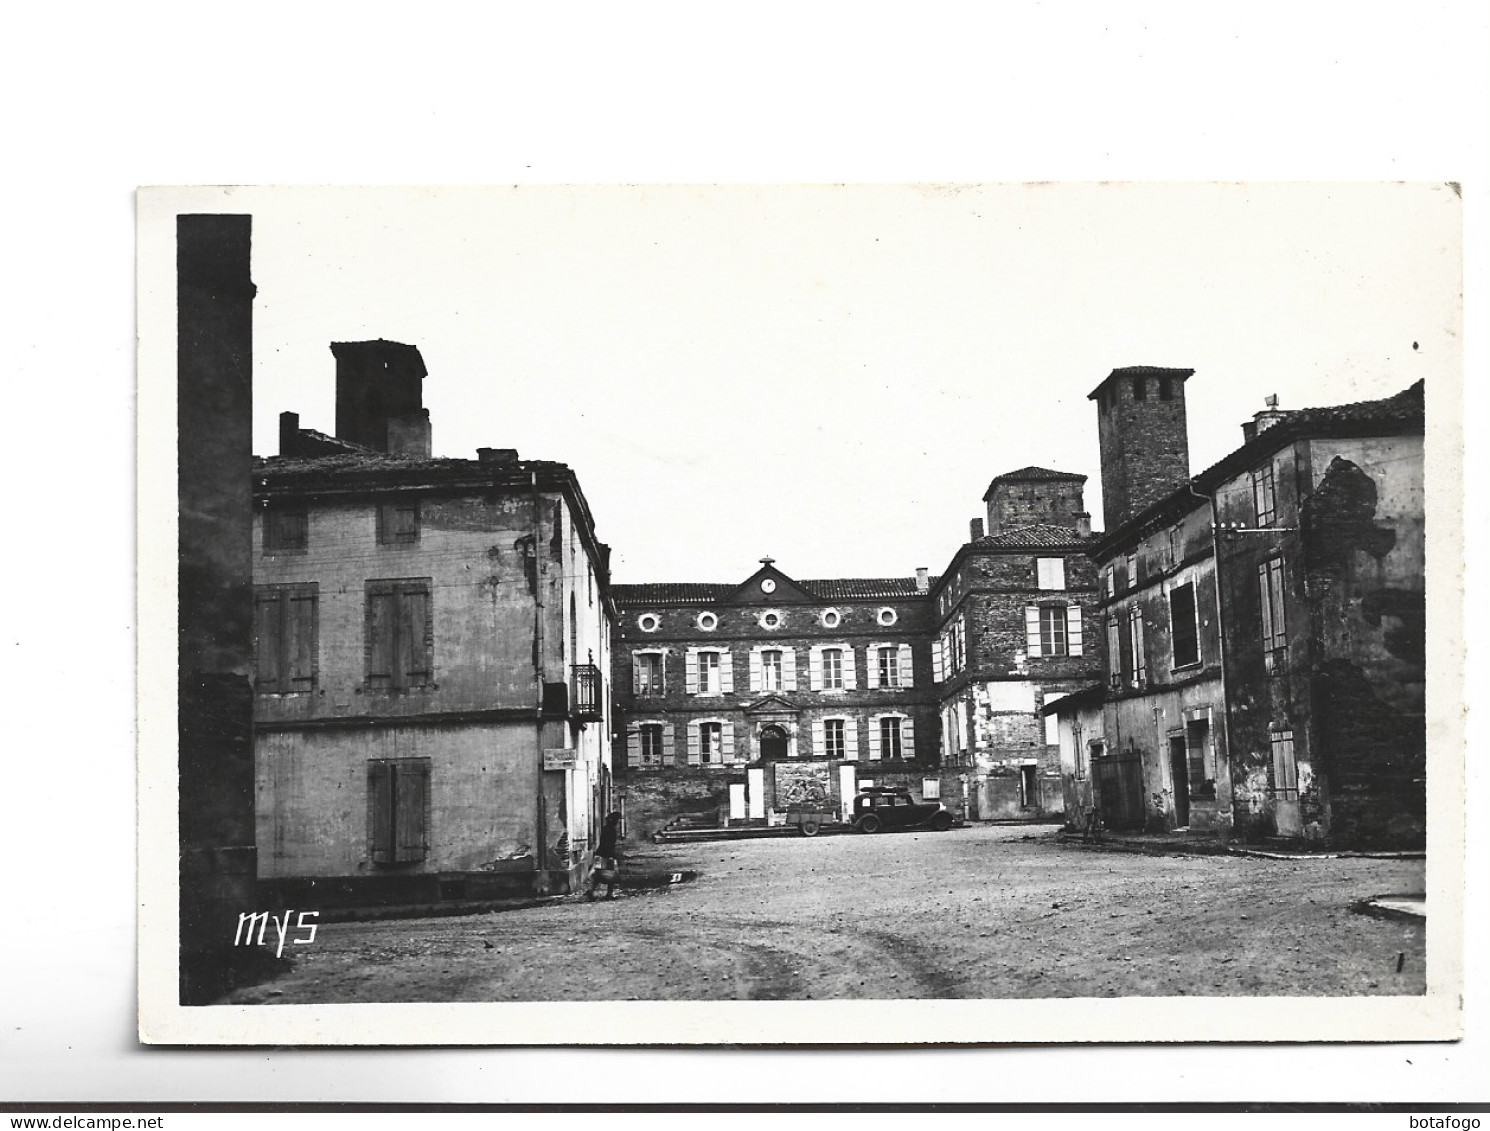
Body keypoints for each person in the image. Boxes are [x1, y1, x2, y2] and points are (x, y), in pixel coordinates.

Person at [587, 812, 623, 901]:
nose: (618, 822)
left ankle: (591, 891)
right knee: (612, 874)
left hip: (600, 853)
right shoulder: (612, 830)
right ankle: (609, 894)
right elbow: (609, 844)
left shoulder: (605, 828)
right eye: (617, 820)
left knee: (598, 874)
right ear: (614, 821)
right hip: (607, 854)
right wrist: (612, 855)